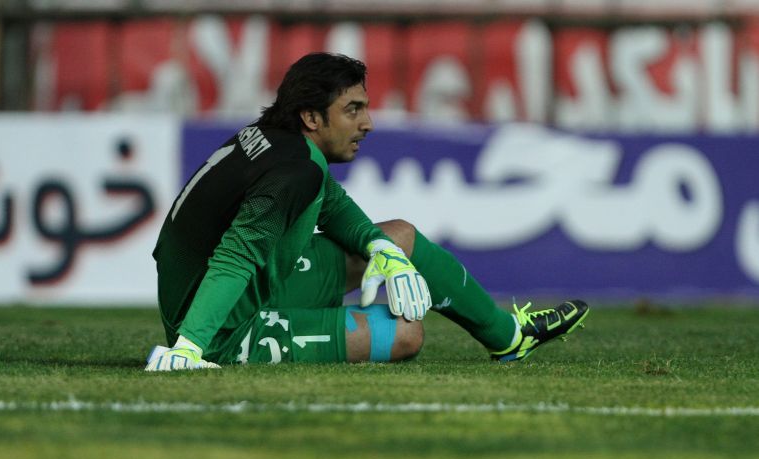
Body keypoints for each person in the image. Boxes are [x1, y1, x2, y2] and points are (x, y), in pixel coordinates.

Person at [145, 53, 589, 371]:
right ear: (312, 117)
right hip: (221, 325)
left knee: (399, 236)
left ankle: (508, 338)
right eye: (352, 110)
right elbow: (237, 255)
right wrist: (190, 347)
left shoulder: (280, 141)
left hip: (228, 288)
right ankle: (197, 345)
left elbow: (332, 204)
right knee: (406, 335)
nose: (367, 124)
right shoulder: (293, 171)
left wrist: (380, 248)